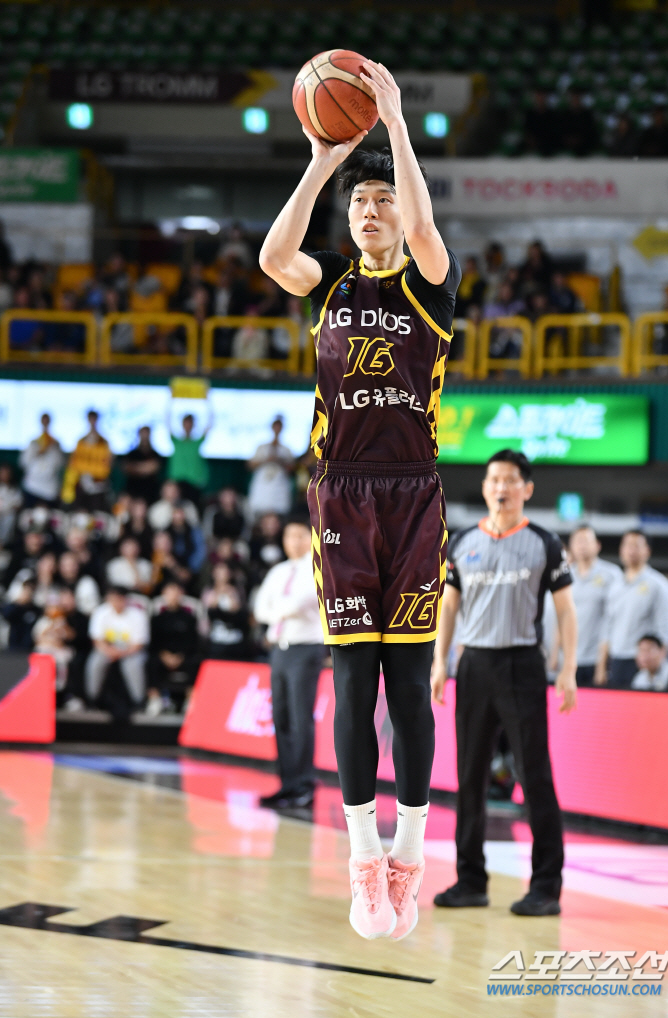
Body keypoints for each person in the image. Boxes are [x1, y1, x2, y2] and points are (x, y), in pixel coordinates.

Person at [259, 59, 460, 942]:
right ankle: (361, 858)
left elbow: (421, 222)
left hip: (414, 494)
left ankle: (411, 851)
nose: (368, 213)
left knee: (408, 683)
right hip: (342, 493)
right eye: (359, 205)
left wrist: (397, 125)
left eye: (378, 203)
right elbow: (273, 256)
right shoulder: (330, 285)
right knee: (353, 677)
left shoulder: (429, 282)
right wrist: (322, 159)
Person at [432, 449, 577, 917]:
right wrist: (440, 662)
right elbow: (448, 608)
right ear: (485, 485)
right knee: (469, 775)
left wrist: (569, 669)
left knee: (534, 775)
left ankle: (545, 887)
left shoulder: (544, 543)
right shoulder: (462, 542)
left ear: (527, 489)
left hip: (521, 667)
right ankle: (470, 880)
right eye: (494, 478)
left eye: (511, 480)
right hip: (473, 666)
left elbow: (566, 611)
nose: (501, 487)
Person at [254, 519, 326, 809]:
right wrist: (280, 611)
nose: (294, 541)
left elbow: (300, 603)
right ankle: (287, 783)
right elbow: (260, 609)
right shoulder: (278, 571)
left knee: (300, 717)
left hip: (306, 648)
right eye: (289, 535)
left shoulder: (318, 567)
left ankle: (304, 785)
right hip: (280, 650)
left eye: (300, 535)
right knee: (281, 717)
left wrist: (279, 609)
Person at [598, 531, 668, 689]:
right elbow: (607, 627)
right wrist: (601, 665)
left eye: (636, 546)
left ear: (647, 550)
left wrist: (658, 668)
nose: (631, 550)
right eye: (627, 545)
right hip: (616, 659)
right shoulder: (615, 585)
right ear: (621, 550)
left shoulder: (658, 585)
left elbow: (666, 629)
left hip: (643, 662)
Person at [565, 525, 622, 687]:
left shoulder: (612, 575)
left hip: (598, 658)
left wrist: (602, 664)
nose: (581, 546)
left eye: (586, 541)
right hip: (571, 658)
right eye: (577, 541)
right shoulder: (565, 576)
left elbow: (612, 620)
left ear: (597, 545)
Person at [85, 587, 149, 711]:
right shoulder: (101, 612)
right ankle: (92, 700)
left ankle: (139, 701)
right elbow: (97, 640)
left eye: (119, 599)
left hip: (130, 650)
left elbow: (138, 644)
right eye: (112, 599)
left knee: (133, 665)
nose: (116, 603)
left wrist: (120, 653)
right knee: (95, 662)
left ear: (125, 599)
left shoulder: (137, 615)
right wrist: (110, 651)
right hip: (107, 648)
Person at [147, 580, 201, 715]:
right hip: (163, 655)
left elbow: (193, 641)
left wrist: (180, 656)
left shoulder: (189, 618)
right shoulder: (157, 619)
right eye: (170, 592)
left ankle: (191, 700)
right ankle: (155, 699)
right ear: (164, 594)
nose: (173, 596)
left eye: (176, 592)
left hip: (184, 655)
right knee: (151, 662)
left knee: (195, 662)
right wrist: (164, 655)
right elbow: (154, 642)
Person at [62, 410, 113, 513]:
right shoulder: (81, 442)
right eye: (91, 419)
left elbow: (107, 465)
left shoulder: (103, 442)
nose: (92, 422)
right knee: (80, 515)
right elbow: (73, 464)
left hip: (98, 488)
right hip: (82, 486)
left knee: (97, 516)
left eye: (94, 419)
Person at [246, 417, 295, 519]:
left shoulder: (286, 450)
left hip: (279, 488)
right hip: (263, 487)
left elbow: (292, 469)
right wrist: (266, 460)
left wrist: (280, 461)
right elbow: (250, 465)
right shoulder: (261, 447)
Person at [167, 411, 211, 509]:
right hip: (177, 483)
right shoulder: (176, 441)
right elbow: (167, 421)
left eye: (190, 423)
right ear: (182, 424)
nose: (188, 425)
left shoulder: (197, 442)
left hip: (194, 484)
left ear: (193, 425)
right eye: (186, 422)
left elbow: (210, 424)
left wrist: (208, 400)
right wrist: (171, 399)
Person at [20, 414, 64, 508]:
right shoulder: (33, 443)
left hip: (49, 488)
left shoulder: (55, 444)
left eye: (47, 421)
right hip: (32, 486)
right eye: (44, 421)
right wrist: (38, 452)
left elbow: (60, 464)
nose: (45, 423)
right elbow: (23, 462)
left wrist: (51, 447)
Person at [121, 426, 163, 505]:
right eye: (142, 433)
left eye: (146, 433)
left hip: (151, 493)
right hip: (133, 491)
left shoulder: (155, 454)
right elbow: (127, 468)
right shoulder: (132, 454)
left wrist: (136, 467)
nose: (144, 436)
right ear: (139, 435)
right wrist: (146, 466)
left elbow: (154, 467)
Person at [0, 464, 22, 546]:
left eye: (7, 473)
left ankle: (3, 543)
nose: (5, 475)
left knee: (10, 518)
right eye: (2, 473)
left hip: (8, 514)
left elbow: (18, 505)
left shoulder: (14, 489)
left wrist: (8, 508)